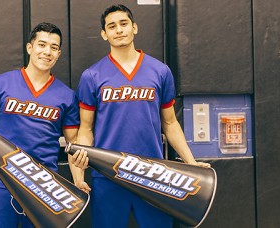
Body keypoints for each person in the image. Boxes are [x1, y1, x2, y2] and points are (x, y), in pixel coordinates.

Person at [69, 4, 211, 228]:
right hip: (108, 176)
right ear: (104, 34)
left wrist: (190, 162)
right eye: (112, 26)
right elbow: (85, 129)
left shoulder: (160, 71)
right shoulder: (92, 76)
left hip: (153, 176)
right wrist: (79, 173)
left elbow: (170, 122)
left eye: (124, 24)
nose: (119, 30)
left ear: (134, 28)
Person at [0, 22, 90, 228]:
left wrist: (78, 180)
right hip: (3, 181)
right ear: (30, 48)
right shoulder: (1, 83)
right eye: (42, 45)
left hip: (45, 188)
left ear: (58, 54)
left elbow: (72, 145)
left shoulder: (66, 96)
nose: (47, 52)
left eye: (54, 48)